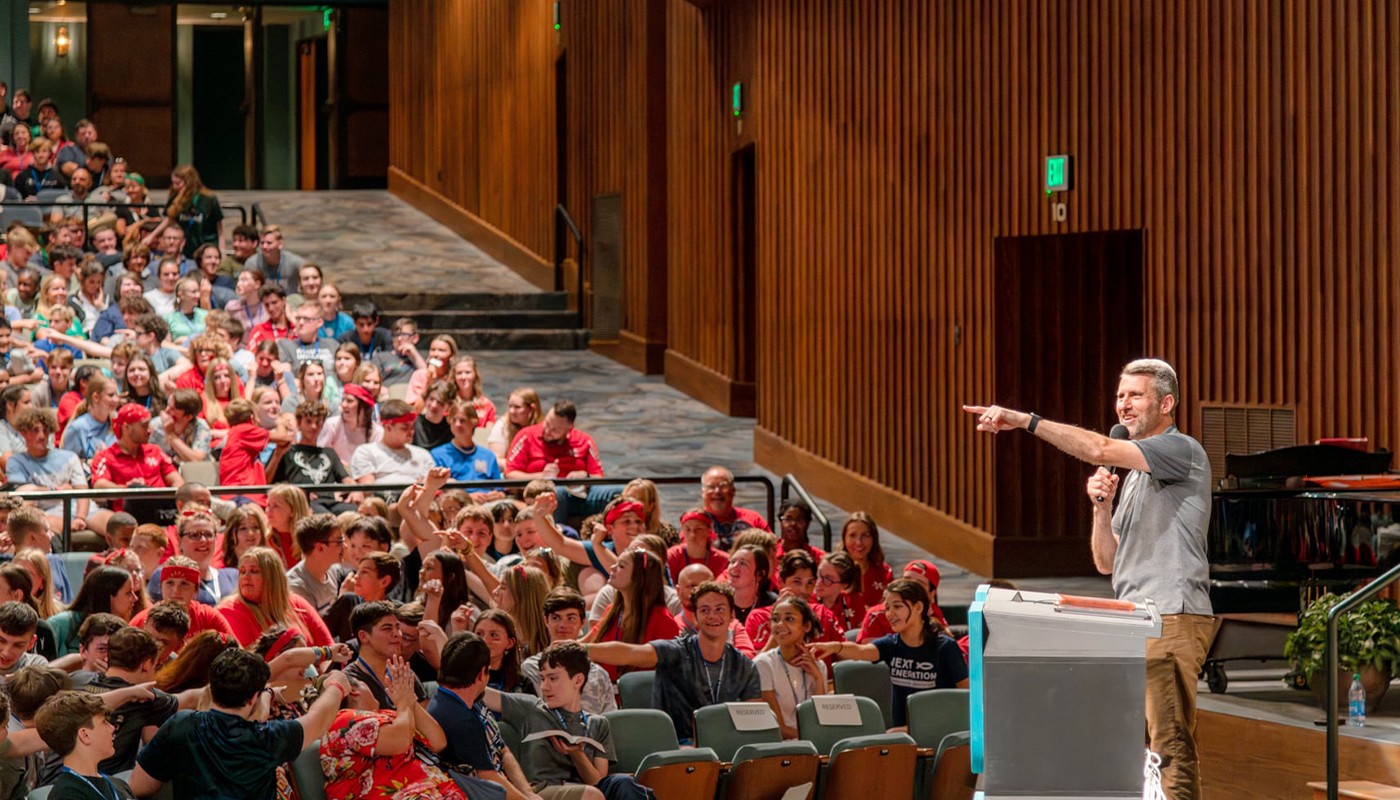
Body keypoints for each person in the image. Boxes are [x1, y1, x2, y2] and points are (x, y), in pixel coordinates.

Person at [964, 358, 1214, 798]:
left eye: (1136, 395)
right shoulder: (1136, 475)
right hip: (1130, 619)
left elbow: (1098, 448)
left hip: (1171, 616)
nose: (1124, 405)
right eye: (1120, 396)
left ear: (1167, 403)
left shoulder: (1181, 450)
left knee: (1170, 745)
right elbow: (1105, 563)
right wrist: (1100, 509)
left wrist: (1025, 421)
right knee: (1130, 749)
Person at [129, 649, 351, 800]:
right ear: (253, 697)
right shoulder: (268, 738)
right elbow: (319, 720)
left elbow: (140, 785)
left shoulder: (181, 724)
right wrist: (336, 686)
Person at [586, 581, 762, 742]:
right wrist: (583, 649)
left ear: (732, 615)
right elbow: (630, 652)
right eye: (704, 610)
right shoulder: (677, 650)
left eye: (720, 609)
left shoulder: (744, 666)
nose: (712, 616)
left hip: (724, 744)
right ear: (695, 616)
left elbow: (754, 720)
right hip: (675, 746)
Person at [481, 641, 655, 800]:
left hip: (588, 792)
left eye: (553, 678)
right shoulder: (531, 708)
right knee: (592, 794)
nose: (545, 686)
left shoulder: (598, 723)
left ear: (578, 680)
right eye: (543, 678)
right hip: (542, 792)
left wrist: (576, 754)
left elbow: (599, 783)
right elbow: (481, 691)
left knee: (622, 783)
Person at [812, 579, 967, 730]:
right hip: (903, 737)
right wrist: (835, 647)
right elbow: (861, 652)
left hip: (939, 731)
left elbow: (966, 697)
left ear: (918, 607)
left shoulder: (945, 647)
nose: (889, 614)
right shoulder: (891, 644)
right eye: (887, 608)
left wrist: (919, 728)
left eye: (897, 606)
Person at [315, 656, 463, 800]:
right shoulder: (342, 720)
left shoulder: (387, 716)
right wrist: (403, 704)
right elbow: (401, 741)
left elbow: (437, 742)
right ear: (354, 690)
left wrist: (409, 700)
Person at [428, 631, 536, 800]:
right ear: (481, 674)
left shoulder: (473, 699)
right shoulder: (458, 720)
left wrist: (528, 793)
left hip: (512, 788)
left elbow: (502, 749)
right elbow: (490, 781)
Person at [506, 401, 614, 523]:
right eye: (547, 423)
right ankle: (553, 536)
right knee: (556, 492)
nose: (547, 431)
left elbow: (599, 478)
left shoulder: (585, 440)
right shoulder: (526, 436)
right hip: (547, 495)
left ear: (569, 429)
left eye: (555, 430)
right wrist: (541, 477)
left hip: (581, 495)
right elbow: (510, 475)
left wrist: (585, 476)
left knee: (616, 491)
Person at [521, 589, 616, 715]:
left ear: (582, 623)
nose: (563, 625)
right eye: (556, 618)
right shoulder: (531, 669)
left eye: (571, 618)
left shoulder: (598, 675)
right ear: (546, 621)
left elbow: (610, 722)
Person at [219, 545, 333, 648]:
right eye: (242, 571)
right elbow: (252, 661)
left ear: (272, 577)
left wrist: (323, 667)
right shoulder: (231, 610)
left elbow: (328, 646)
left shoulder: (296, 603)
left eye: (254, 571)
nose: (246, 577)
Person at [33, 692, 139, 800]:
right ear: (85, 735)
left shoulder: (119, 785)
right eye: (104, 722)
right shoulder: (65, 796)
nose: (112, 728)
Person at [89, 403, 184, 514]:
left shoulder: (155, 450)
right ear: (127, 428)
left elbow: (178, 481)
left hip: (163, 512)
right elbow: (99, 485)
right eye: (144, 426)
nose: (150, 430)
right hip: (130, 516)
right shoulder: (106, 456)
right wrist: (129, 489)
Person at [755, 596, 829, 739]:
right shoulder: (763, 664)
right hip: (782, 746)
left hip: (814, 743)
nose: (780, 625)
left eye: (789, 619)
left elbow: (822, 719)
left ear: (806, 626)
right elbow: (777, 728)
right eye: (775, 620)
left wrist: (818, 678)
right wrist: (812, 737)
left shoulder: (819, 666)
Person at [273, 400, 358, 514]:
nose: (313, 426)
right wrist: (300, 493)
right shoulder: (288, 451)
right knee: (322, 515)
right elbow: (274, 483)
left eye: (318, 422)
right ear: (299, 423)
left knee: (357, 512)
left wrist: (356, 490)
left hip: (330, 502)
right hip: (302, 503)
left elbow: (346, 480)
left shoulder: (329, 453)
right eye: (308, 421)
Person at [344, 601, 431, 710]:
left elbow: (427, 722)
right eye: (387, 628)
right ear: (363, 636)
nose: (397, 634)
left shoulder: (403, 674)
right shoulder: (349, 682)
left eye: (397, 627)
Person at [129, 554, 235, 642]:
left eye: (184, 584)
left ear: (195, 590)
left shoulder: (208, 617)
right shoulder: (142, 621)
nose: (176, 591)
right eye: (170, 583)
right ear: (161, 587)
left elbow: (236, 652)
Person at [47, 567, 139, 656]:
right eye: (128, 593)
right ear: (109, 597)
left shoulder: (122, 632)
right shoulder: (60, 624)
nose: (135, 598)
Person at [350, 399, 435, 486]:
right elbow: (368, 489)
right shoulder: (366, 452)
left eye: (412, 426)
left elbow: (430, 489)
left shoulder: (423, 455)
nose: (411, 432)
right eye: (405, 427)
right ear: (388, 427)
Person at [431, 399, 504, 491]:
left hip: (489, 502)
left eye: (462, 421)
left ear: (473, 422)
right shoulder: (438, 455)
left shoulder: (488, 455)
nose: (457, 424)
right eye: (454, 420)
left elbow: (500, 490)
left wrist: (495, 495)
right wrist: (469, 497)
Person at [287, 513, 349, 617]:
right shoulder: (296, 586)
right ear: (320, 548)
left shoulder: (333, 569)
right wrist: (342, 600)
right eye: (339, 542)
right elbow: (313, 628)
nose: (345, 546)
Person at [698, 466, 770, 550]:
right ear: (703, 493)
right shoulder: (694, 522)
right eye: (711, 487)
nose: (717, 491)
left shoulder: (753, 519)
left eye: (722, 486)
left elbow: (774, 550)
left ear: (733, 491)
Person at [834, 512, 892, 609]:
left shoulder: (885, 573)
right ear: (844, 538)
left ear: (874, 539)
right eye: (852, 535)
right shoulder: (832, 572)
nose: (859, 543)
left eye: (866, 535)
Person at [665, 509, 728, 586]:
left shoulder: (724, 560)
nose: (692, 535)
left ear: (709, 531)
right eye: (688, 529)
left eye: (698, 529)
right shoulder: (672, 556)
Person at [486, 388, 543, 472]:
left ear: (532, 408)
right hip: (511, 473)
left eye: (517, 407)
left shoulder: (542, 426)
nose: (512, 411)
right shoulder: (502, 425)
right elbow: (495, 459)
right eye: (510, 406)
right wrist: (516, 467)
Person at [244, 226, 306, 292]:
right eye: (262, 243)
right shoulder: (253, 263)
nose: (264, 247)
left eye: (269, 243)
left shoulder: (295, 262)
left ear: (280, 244)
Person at [726, 544, 776, 625]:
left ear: (760, 574)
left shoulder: (771, 604)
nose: (734, 567)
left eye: (743, 563)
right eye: (733, 562)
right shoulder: (718, 600)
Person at [413, 380, 454, 451]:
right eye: (431, 399)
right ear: (426, 399)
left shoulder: (451, 429)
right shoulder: (412, 424)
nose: (434, 405)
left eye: (440, 402)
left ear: (449, 406)